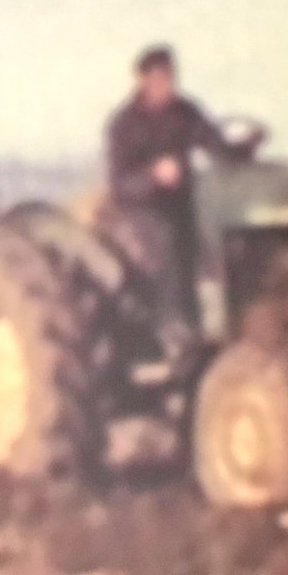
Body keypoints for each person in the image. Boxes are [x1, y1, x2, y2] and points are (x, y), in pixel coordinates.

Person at [105, 44, 260, 365]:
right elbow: (119, 184)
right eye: (160, 78)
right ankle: (173, 335)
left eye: (171, 77)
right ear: (142, 80)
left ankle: (203, 335)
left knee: (198, 253)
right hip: (138, 212)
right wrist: (152, 176)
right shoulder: (123, 124)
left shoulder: (184, 112)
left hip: (180, 207)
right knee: (166, 250)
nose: (168, 85)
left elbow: (212, 140)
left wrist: (240, 147)